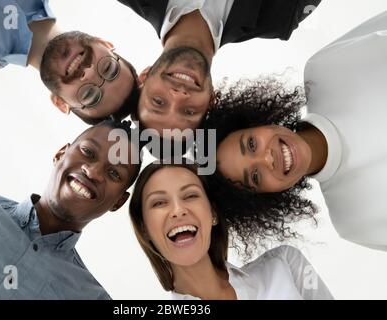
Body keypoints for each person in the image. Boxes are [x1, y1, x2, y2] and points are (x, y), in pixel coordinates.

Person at [210, 11, 387, 251]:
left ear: (257, 122)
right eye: (254, 177)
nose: (266, 158)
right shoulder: (354, 222)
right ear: (267, 196)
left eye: (251, 144)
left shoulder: (326, 71)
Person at [0, 119, 141, 299]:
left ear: (118, 202)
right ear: (60, 154)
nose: (93, 172)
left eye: (114, 173)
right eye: (88, 152)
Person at [129, 162, 332, 299]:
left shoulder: (285, 264)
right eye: (159, 203)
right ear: (144, 229)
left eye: (190, 195)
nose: (178, 210)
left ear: (213, 214)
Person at [117, 0, 321, 137]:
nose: (179, 95)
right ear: (211, 100)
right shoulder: (279, 17)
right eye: (188, 111)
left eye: (158, 102)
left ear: (144, 76)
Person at [0, 1, 140, 124]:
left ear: (60, 103)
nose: (88, 74)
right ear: (103, 42)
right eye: (108, 68)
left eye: (89, 95)